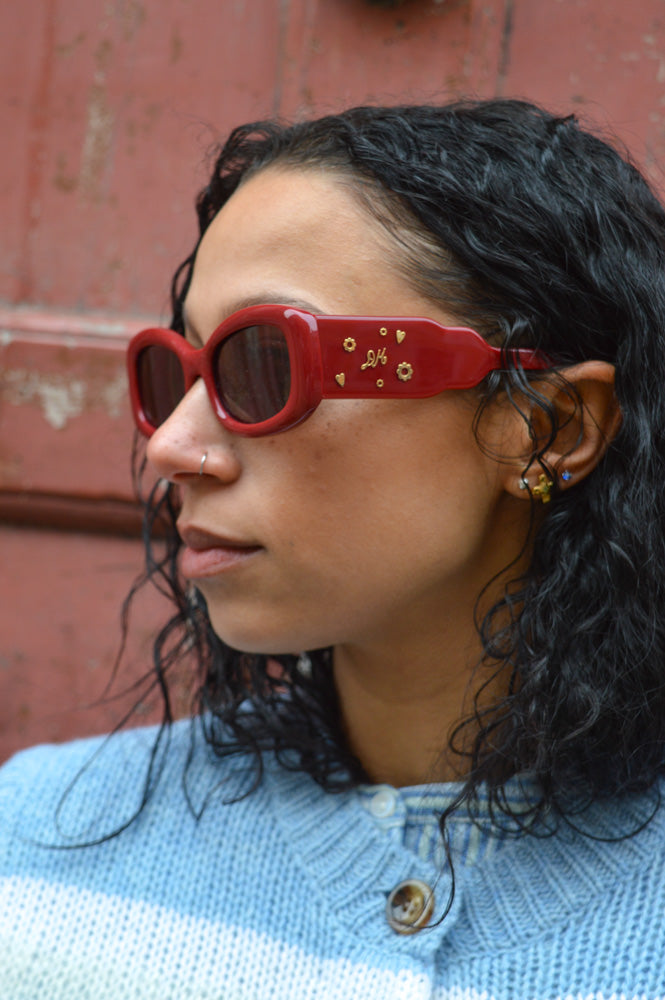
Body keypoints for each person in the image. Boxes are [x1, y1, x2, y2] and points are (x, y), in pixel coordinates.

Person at [2, 98, 665, 999]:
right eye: (173, 372)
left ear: (544, 428)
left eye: (263, 363)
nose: (170, 448)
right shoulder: (37, 845)